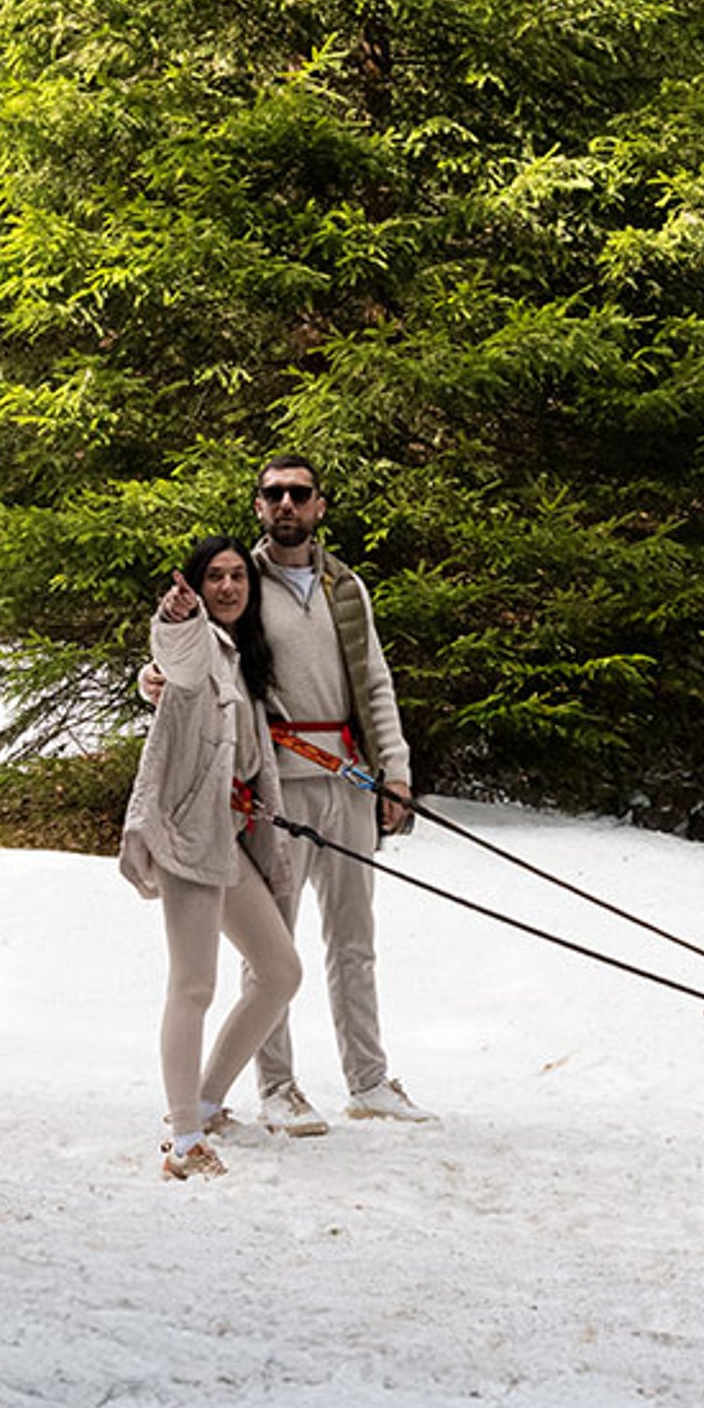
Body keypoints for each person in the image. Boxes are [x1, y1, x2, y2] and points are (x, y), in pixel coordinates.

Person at [240, 454, 432, 1128]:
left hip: (348, 781)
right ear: (258, 506)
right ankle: (276, 1088)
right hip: (277, 788)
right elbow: (194, 654)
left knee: (354, 938)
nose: (286, 504)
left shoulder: (344, 588)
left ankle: (369, 1081)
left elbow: (375, 684)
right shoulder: (238, 585)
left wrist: (396, 772)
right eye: (274, 495)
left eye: (299, 493)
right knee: (274, 946)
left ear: (320, 505)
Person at [117, 536, 306, 1180]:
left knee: (279, 971)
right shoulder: (199, 646)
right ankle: (184, 1137)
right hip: (188, 839)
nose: (228, 587)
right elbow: (177, 657)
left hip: (226, 838)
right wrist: (176, 616)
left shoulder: (244, 659)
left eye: (237, 577)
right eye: (213, 578)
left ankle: (204, 1099)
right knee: (194, 984)